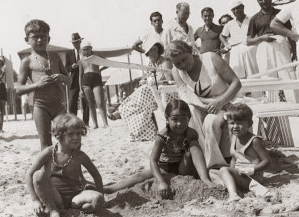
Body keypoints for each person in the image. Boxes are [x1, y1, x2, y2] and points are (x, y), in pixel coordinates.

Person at [104, 100, 215, 197]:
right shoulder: (163, 136)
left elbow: (196, 155)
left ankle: (205, 179)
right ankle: (109, 189)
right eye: (174, 119)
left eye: (183, 119)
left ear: (189, 118)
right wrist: (161, 182)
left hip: (183, 168)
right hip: (165, 167)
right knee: (139, 176)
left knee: (194, 145)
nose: (179, 123)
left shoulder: (191, 133)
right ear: (167, 119)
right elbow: (153, 160)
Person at [167, 40, 241, 169]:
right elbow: (186, 97)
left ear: (190, 51)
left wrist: (220, 101)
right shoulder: (176, 72)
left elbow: (236, 83)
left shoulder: (211, 58)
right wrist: (210, 102)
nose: (183, 65)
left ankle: (214, 164)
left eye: (184, 59)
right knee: (189, 111)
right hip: (200, 105)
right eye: (178, 63)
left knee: (210, 122)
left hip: (226, 102)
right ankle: (201, 159)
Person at [25, 114, 104, 217]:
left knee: (97, 199)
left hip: (76, 196)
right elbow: (29, 174)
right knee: (38, 175)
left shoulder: (79, 155)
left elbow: (96, 175)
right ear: (59, 135)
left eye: (78, 134)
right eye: (71, 134)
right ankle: (54, 210)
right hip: (54, 196)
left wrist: (101, 193)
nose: (76, 137)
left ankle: (73, 210)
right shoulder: (48, 153)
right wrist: (35, 200)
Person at [16, 19, 71, 150]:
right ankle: (48, 169)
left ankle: (64, 167)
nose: (40, 40)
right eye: (35, 37)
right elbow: (18, 89)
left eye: (43, 37)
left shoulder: (55, 57)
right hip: (41, 106)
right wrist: (37, 85)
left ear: (49, 38)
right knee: (46, 143)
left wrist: (62, 77)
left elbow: (69, 81)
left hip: (59, 105)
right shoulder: (27, 61)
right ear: (27, 39)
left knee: (66, 138)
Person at [109, 41, 174, 142]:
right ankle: (138, 132)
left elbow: (170, 81)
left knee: (143, 92)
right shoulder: (149, 64)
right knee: (141, 106)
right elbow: (149, 79)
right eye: (150, 50)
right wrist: (146, 81)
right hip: (154, 94)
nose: (153, 52)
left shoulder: (164, 62)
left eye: (155, 49)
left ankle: (120, 111)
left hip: (166, 93)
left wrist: (154, 82)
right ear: (146, 52)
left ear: (159, 50)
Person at [209, 103, 271, 201]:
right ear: (227, 124)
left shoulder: (254, 141)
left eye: (239, 123)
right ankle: (233, 186)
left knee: (224, 170)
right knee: (212, 172)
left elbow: (267, 161)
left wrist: (253, 170)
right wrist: (230, 171)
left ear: (250, 124)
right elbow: (234, 158)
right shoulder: (234, 138)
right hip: (239, 174)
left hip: (252, 176)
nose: (235, 127)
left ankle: (233, 194)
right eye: (232, 123)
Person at [220, 0, 259, 79]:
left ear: (243, 7)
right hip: (235, 50)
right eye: (233, 9)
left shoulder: (252, 19)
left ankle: (257, 92)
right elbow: (221, 36)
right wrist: (226, 44)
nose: (236, 11)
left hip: (250, 49)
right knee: (238, 76)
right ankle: (241, 92)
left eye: (238, 8)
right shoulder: (229, 24)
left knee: (254, 74)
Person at [79, 40, 108, 128]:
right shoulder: (81, 60)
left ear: (91, 49)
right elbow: (80, 76)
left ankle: (105, 123)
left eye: (87, 49)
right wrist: (80, 89)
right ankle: (95, 124)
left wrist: (100, 69)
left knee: (100, 102)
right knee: (91, 104)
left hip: (96, 79)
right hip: (85, 81)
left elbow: (108, 63)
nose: (85, 51)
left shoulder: (97, 57)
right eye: (84, 50)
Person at [64, 33, 89, 126]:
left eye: (77, 42)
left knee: (86, 100)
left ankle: (86, 122)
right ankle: (73, 122)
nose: (75, 44)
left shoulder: (85, 51)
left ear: (80, 42)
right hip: (74, 80)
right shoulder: (69, 53)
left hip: (84, 78)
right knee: (72, 102)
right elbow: (66, 68)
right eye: (74, 43)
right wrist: (72, 66)